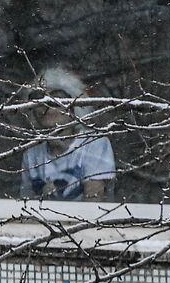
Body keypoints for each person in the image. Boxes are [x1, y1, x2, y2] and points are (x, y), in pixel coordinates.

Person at [19, 66, 115, 201]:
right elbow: (25, 205)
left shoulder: (93, 144)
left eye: (58, 99)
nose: (47, 105)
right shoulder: (32, 154)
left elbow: (94, 204)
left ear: (74, 107)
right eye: (39, 99)